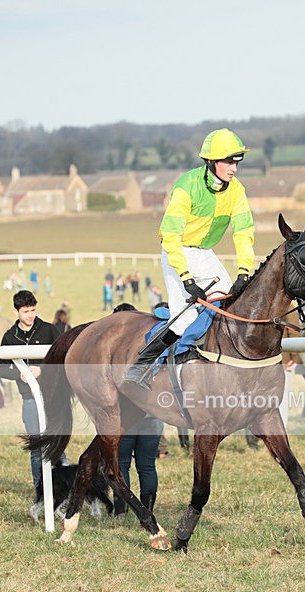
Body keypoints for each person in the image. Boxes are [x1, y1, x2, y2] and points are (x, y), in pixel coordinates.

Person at [125, 128, 255, 387]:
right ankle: (140, 366)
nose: (234, 169)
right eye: (229, 162)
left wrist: (244, 271)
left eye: (237, 163)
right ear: (211, 162)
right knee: (183, 319)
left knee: (229, 307)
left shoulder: (236, 191)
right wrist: (185, 278)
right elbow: (171, 235)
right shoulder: (186, 186)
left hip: (205, 254)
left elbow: (243, 232)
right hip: (178, 252)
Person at [0, 290, 65, 494]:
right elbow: (0, 369)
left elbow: (63, 357)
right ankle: (40, 492)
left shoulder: (49, 330)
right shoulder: (9, 337)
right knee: (36, 449)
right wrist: (20, 374)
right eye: (26, 311)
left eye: (33, 310)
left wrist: (43, 369)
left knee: (58, 446)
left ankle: (66, 490)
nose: (30, 315)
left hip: (52, 398)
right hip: (29, 400)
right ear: (17, 311)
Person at [111, 303, 164, 515]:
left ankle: (121, 510)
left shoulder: (115, 350)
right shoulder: (151, 340)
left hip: (126, 417)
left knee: (122, 464)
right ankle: (147, 511)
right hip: (152, 415)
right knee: (147, 465)